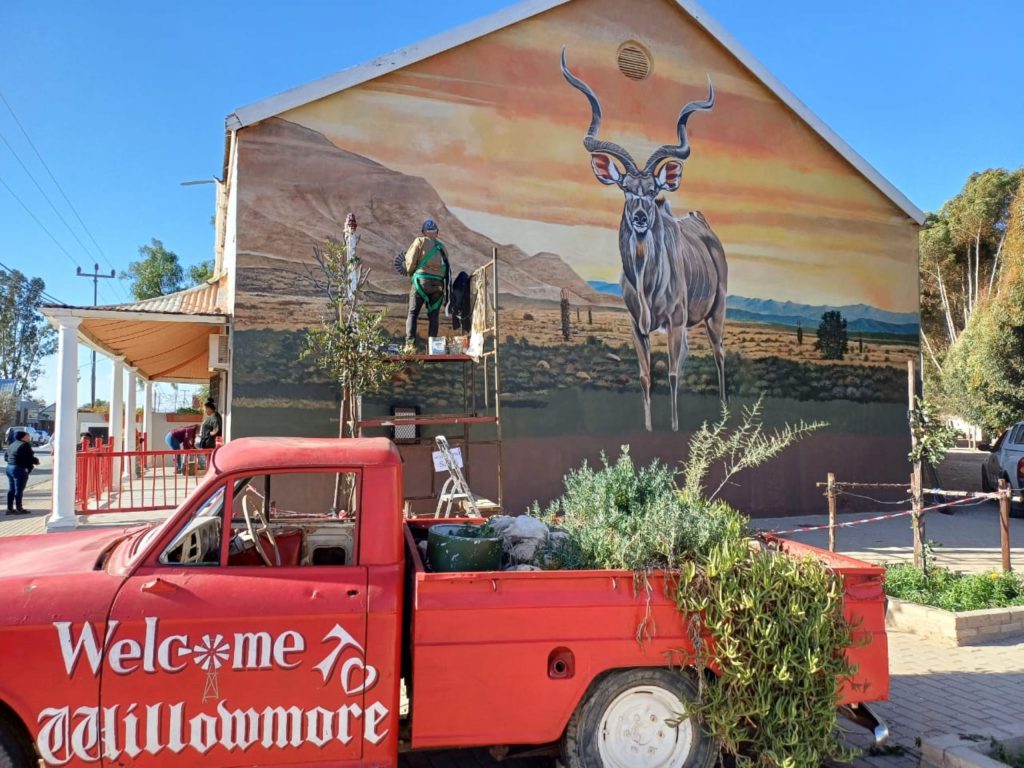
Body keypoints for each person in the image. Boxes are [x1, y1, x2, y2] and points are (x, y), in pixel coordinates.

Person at [403, 218, 451, 349]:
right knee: (434, 316)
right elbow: (446, 268)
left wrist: (410, 271)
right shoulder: (442, 248)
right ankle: (433, 347)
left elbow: (411, 260)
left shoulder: (419, 241)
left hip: (421, 282)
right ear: (437, 233)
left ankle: (410, 345)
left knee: (413, 313)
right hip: (438, 285)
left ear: (424, 232)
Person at [5, 430, 38, 515]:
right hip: (19, 468)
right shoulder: (24, 445)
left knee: (12, 489)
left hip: (9, 467)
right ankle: (19, 508)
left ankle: (9, 509)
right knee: (19, 489)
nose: (29, 437)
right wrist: (35, 462)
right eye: (27, 436)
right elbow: (28, 458)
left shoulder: (12, 444)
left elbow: (6, 457)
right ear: (23, 437)